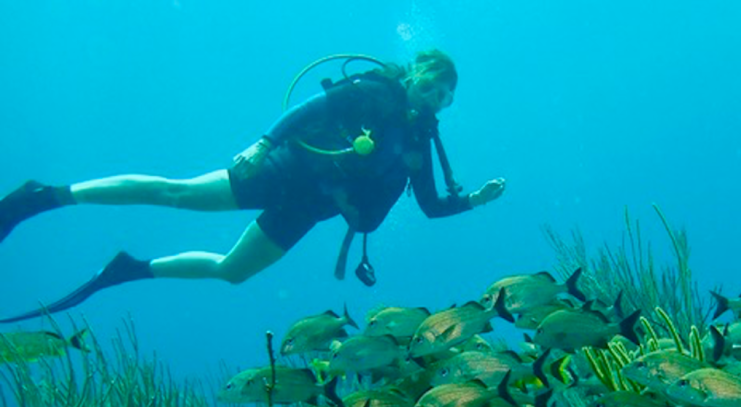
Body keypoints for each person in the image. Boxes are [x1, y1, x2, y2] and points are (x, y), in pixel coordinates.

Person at [0, 50, 505, 322]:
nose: (435, 99)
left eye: (445, 96)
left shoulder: (421, 141)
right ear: (413, 75)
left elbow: (432, 206)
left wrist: (472, 202)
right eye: (430, 86)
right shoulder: (375, 91)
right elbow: (312, 109)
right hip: (281, 170)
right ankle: (44, 196)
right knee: (176, 194)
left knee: (232, 271)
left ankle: (127, 270)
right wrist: (263, 144)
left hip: (310, 208)